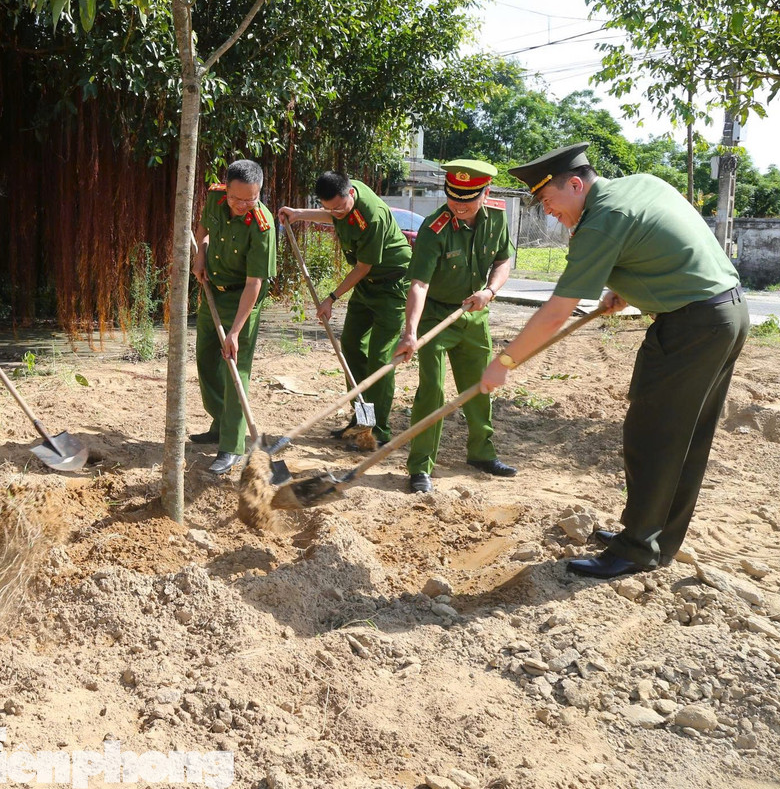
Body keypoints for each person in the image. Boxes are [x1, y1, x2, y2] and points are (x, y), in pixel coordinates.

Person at [481, 142, 749, 579]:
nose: (548, 212)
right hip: (725, 314)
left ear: (574, 184)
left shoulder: (601, 221)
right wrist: (630, 287)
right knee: (685, 438)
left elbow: (555, 312)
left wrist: (505, 362)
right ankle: (652, 541)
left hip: (691, 328)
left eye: (548, 201)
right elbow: (663, 245)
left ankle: (637, 548)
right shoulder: (638, 185)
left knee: (653, 437)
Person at [395, 160, 516, 494]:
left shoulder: (497, 219)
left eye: (468, 198)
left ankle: (481, 453)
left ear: (485, 193)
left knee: (479, 386)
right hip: (436, 316)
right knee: (431, 391)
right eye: (453, 196)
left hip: (474, 315)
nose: (459, 204)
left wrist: (489, 291)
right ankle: (420, 467)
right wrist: (410, 332)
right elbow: (419, 284)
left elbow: (503, 260)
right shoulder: (435, 228)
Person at [278, 171, 411, 445]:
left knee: (379, 358)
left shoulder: (371, 216)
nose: (334, 213)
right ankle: (362, 418)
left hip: (392, 285)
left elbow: (363, 267)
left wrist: (331, 298)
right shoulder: (341, 201)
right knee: (350, 347)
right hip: (367, 285)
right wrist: (299, 213)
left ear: (350, 194)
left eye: (339, 207)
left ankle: (379, 430)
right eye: (329, 208)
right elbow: (334, 214)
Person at [190, 159, 277, 475]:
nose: (242, 205)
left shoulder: (263, 226)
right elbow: (204, 226)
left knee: (234, 369)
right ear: (226, 189)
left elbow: (255, 284)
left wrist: (236, 332)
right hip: (212, 288)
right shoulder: (215, 196)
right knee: (205, 358)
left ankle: (231, 447)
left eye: (250, 199)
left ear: (259, 192)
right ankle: (220, 420)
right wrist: (200, 254)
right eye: (236, 198)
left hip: (243, 298)